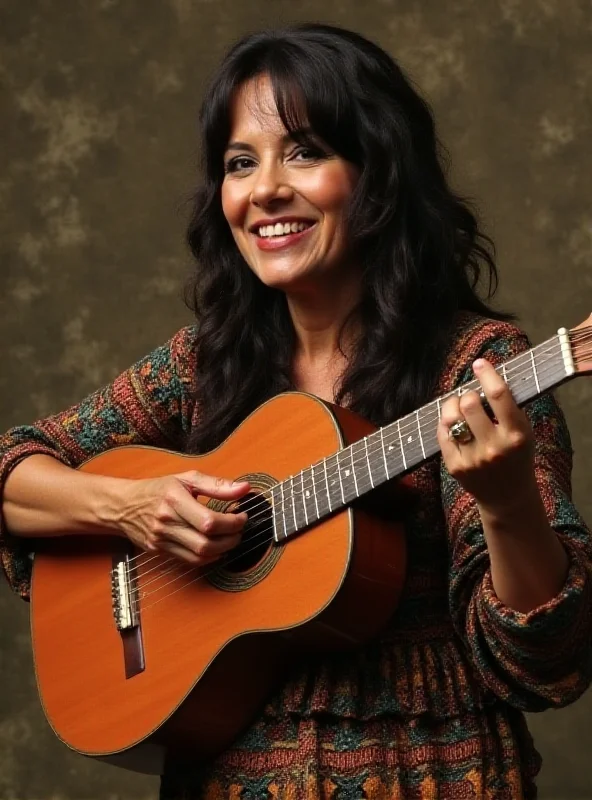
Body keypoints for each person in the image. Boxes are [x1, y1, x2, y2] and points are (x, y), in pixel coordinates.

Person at [1, 22, 591, 800]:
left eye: (306, 151)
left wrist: (510, 504)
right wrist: (135, 505)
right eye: (240, 163)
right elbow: (15, 470)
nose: (266, 190)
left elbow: (545, 664)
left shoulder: (477, 365)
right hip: (225, 772)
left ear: (378, 173)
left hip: (428, 774)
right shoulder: (207, 362)